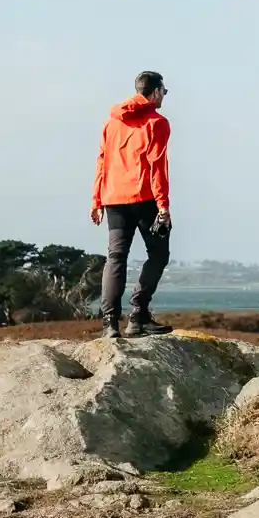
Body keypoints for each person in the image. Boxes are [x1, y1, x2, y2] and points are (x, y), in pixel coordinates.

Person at [91, 71, 173, 339]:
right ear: (156, 92)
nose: (164, 96)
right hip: (144, 198)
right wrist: (163, 206)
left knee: (115, 258)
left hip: (113, 199)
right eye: (164, 91)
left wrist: (96, 200)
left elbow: (101, 161)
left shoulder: (111, 123)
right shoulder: (157, 122)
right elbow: (157, 166)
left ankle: (109, 325)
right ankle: (138, 316)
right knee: (158, 255)